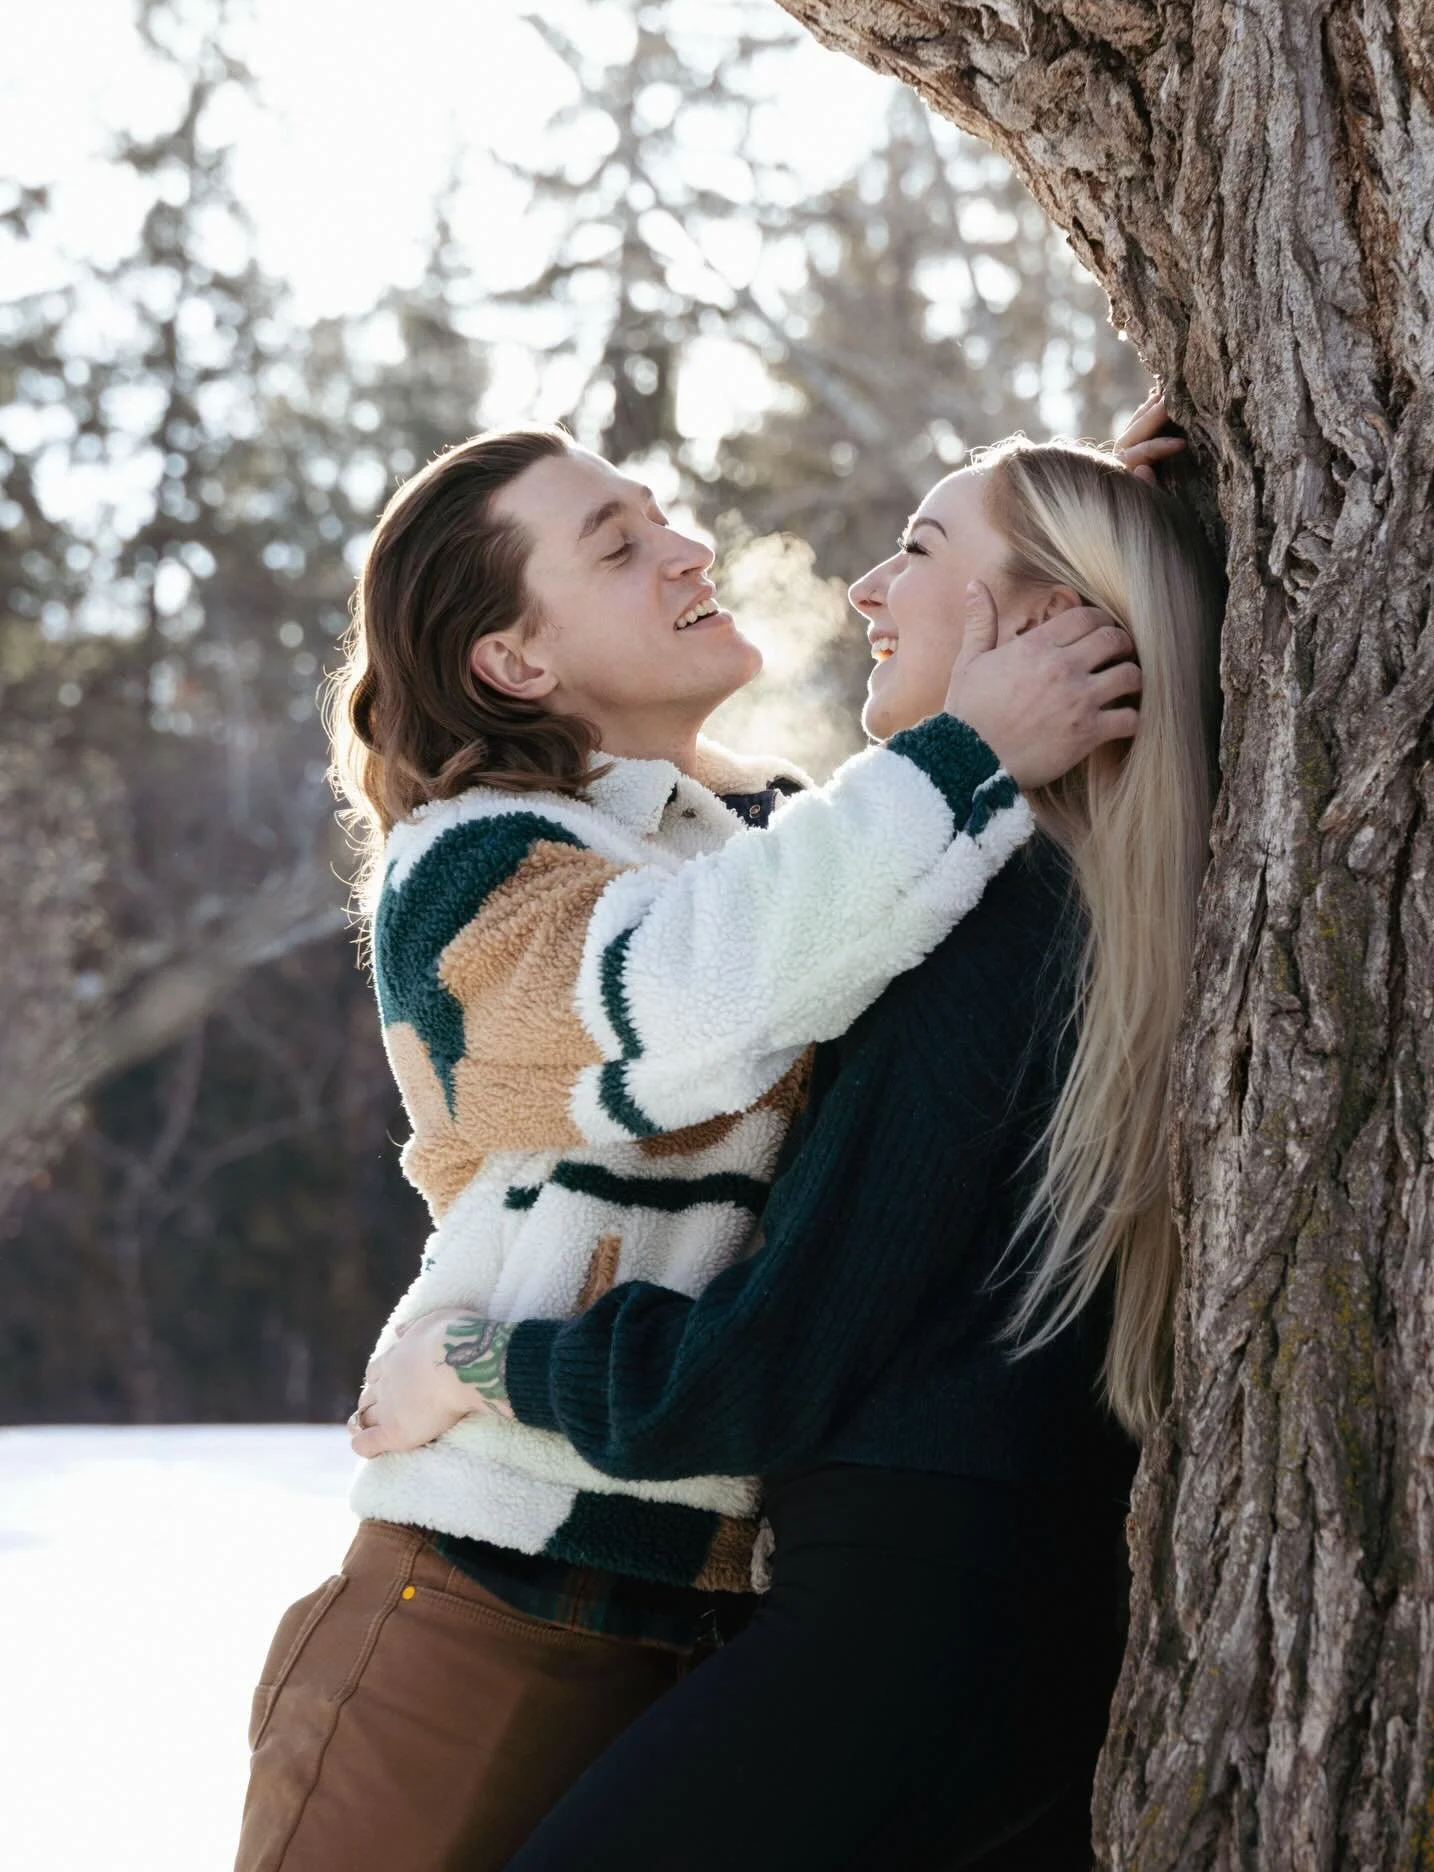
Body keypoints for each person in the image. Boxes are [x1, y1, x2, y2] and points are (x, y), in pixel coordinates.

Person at [235, 400, 1169, 1872]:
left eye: (665, 511)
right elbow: (691, 992)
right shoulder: (475, 877)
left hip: (702, 1597)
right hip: (490, 1585)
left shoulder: (727, 850)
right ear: (516, 662)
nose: (687, 547)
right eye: (619, 543)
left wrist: (1084, 533)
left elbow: (844, 882)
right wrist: (980, 725)